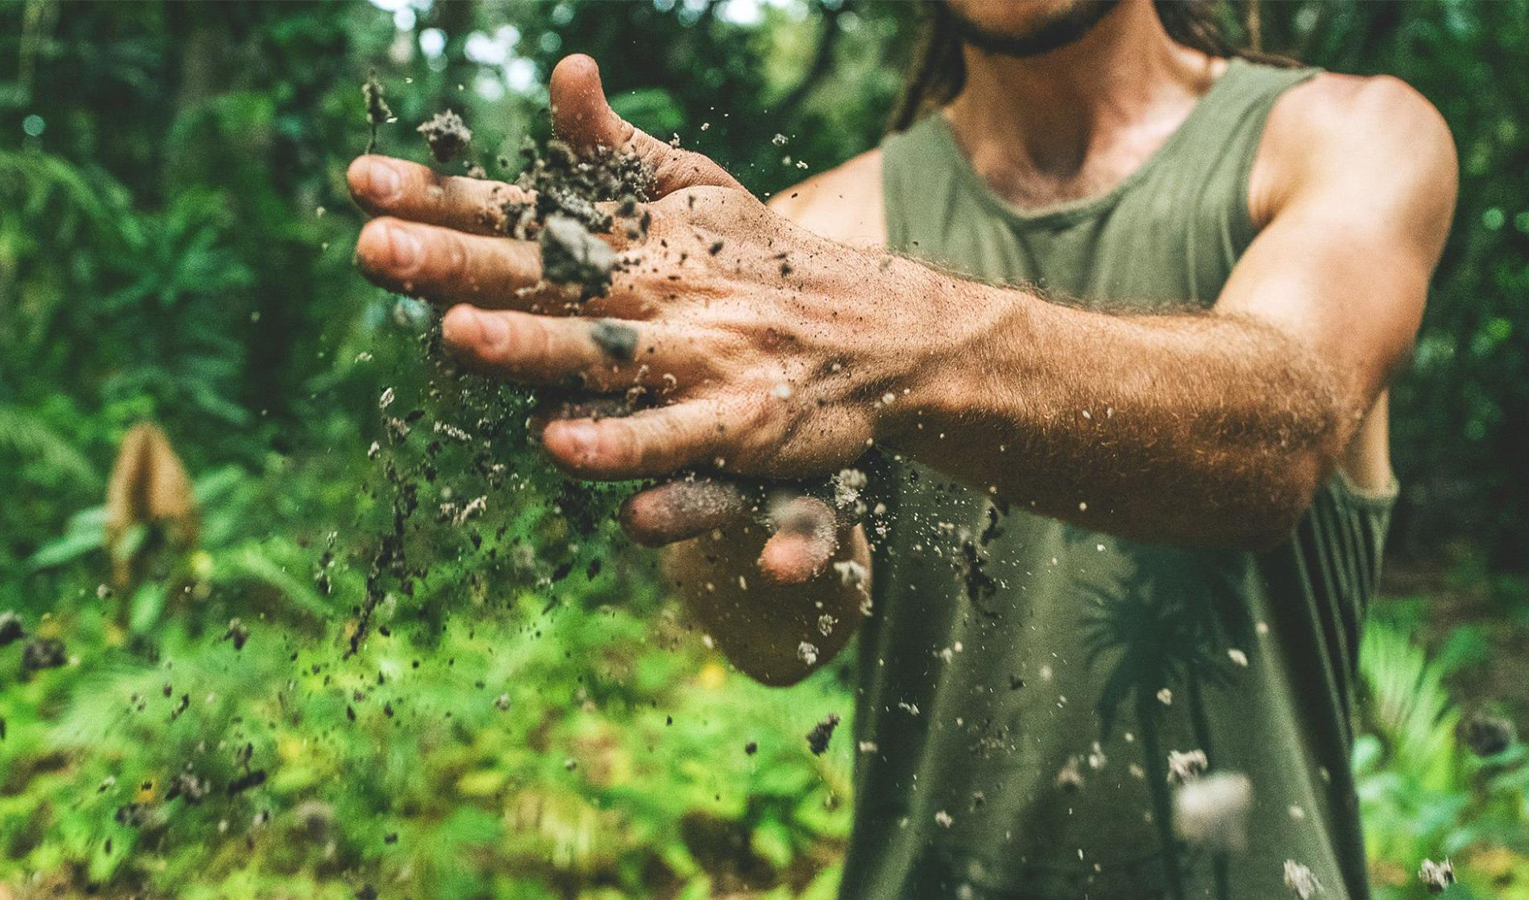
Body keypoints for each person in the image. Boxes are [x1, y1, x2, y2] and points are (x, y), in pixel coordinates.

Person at [347, 1, 1456, 896]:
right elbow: (782, 640)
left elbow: (1275, 430)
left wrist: (888, 342)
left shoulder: (1349, 137)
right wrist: (756, 528)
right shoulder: (812, 234)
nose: (847, 320)